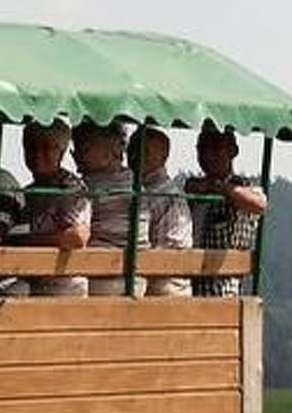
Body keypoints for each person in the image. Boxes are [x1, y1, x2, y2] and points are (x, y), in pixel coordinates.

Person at [187, 122, 268, 297]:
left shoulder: (241, 187)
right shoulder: (194, 189)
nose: (207, 155)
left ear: (233, 152)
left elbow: (259, 204)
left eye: (216, 148)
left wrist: (222, 188)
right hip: (189, 286)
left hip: (221, 291)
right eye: (202, 149)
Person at [12, 120, 91, 297]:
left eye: (47, 148)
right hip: (31, 277)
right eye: (31, 147)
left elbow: (76, 237)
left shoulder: (71, 188)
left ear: (61, 152)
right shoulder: (28, 191)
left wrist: (20, 242)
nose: (38, 154)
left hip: (62, 282)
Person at [72, 121, 145, 297]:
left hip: (105, 275)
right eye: (75, 150)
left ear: (112, 150)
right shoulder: (135, 181)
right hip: (138, 275)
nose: (76, 157)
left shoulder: (89, 186)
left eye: (85, 149)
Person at [128, 125, 194, 298]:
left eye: (145, 151)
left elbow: (170, 249)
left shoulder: (168, 196)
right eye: (132, 149)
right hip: (146, 282)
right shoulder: (137, 190)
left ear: (164, 157)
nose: (135, 156)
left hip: (165, 288)